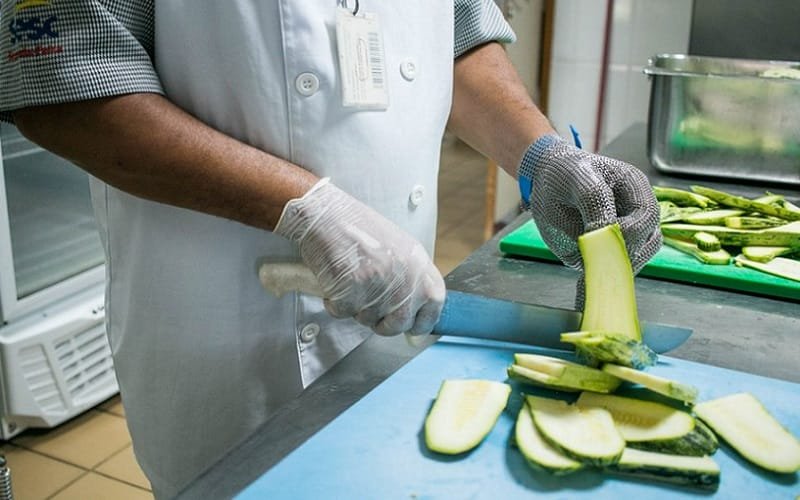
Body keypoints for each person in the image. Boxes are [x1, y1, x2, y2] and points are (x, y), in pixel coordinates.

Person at [0, 1, 660, 497]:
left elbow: (455, 42)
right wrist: (309, 210)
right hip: (222, 338)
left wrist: (540, 154)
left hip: (390, 322)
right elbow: (64, 87)